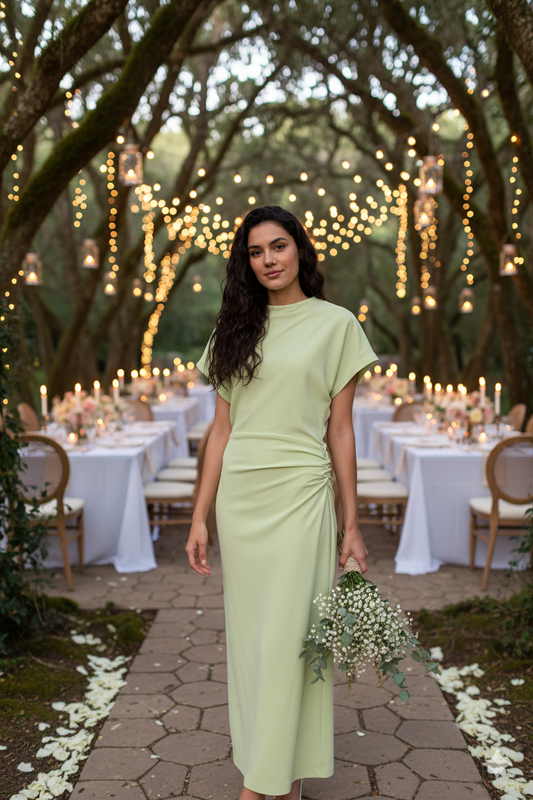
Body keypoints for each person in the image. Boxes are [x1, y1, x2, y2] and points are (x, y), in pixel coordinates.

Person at [186, 205, 377, 800]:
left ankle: (261, 785)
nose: (268, 260)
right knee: (252, 640)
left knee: (291, 636)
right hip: (242, 502)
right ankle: (278, 773)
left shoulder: (337, 324)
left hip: (302, 495)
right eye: (255, 252)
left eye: (278, 246)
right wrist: (198, 515)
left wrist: (353, 523)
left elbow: (340, 431)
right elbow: (220, 432)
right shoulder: (233, 328)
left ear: (300, 248)